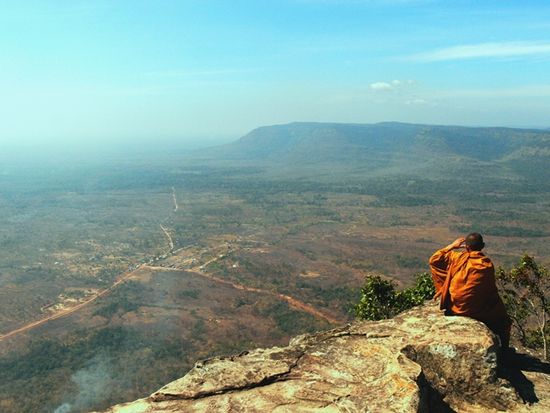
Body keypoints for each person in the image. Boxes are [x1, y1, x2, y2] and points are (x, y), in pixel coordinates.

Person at [429, 233, 512, 350]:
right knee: (504, 322)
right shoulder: (486, 264)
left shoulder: (457, 257)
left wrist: (452, 246)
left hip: (455, 307)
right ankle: (505, 350)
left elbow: (434, 260)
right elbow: (489, 290)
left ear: (466, 246)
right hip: (478, 310)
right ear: (482, 246)